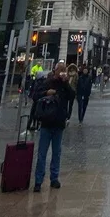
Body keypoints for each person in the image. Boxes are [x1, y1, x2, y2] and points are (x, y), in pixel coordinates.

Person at [33, 62, 74, 192]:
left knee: (56, 153)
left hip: (59, 123)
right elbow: (35, 96)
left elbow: (72, 96)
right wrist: (47, 92)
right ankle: (38, 180)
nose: (62, 72)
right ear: (55, 70)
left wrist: (66, 82)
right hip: (46, 122)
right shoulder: (48, 82)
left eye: (64, 70)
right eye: (60, 70)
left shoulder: (64, 85)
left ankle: (54, 178)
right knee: (42, 153)